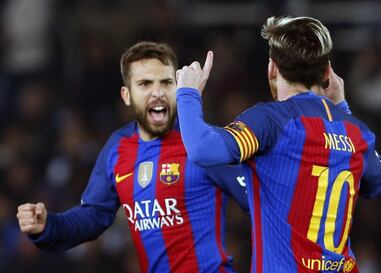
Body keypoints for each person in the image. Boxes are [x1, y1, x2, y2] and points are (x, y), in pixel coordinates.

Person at [175, 16, 381, 272]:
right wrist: (342, 107)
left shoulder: (272, 120)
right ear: (326, 73)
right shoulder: (355, 130)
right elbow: (379, 181)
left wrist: (187, 93)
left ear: (272, 68)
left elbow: (202, 149)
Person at [16, 41, 248, 273]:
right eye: (145, 84)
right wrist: (49, 226)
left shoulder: (202, 143)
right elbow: (94, 215)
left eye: (166, 83)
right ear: (127, 96)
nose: (157, 93)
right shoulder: (117, 148)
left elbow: (258, 200)